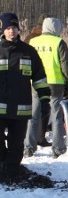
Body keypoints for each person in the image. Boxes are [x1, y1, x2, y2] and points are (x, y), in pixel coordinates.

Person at [0, 12, 51, 181]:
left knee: (16, 144)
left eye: (14, 27)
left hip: (21, 108)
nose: (11, 31)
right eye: (7, 28)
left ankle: (12, 171)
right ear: (2, 30)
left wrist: (44, 99)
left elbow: (40, 77)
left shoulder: (28, 52)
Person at [26, 17, 68, 158]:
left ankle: (28, 147)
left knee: (33, 114)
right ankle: (58, 148)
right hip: (55, 83)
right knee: (56, 116)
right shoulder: (59, 42)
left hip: (35, 83)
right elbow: (66, 66)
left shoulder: (33, 42)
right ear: (56, 28)